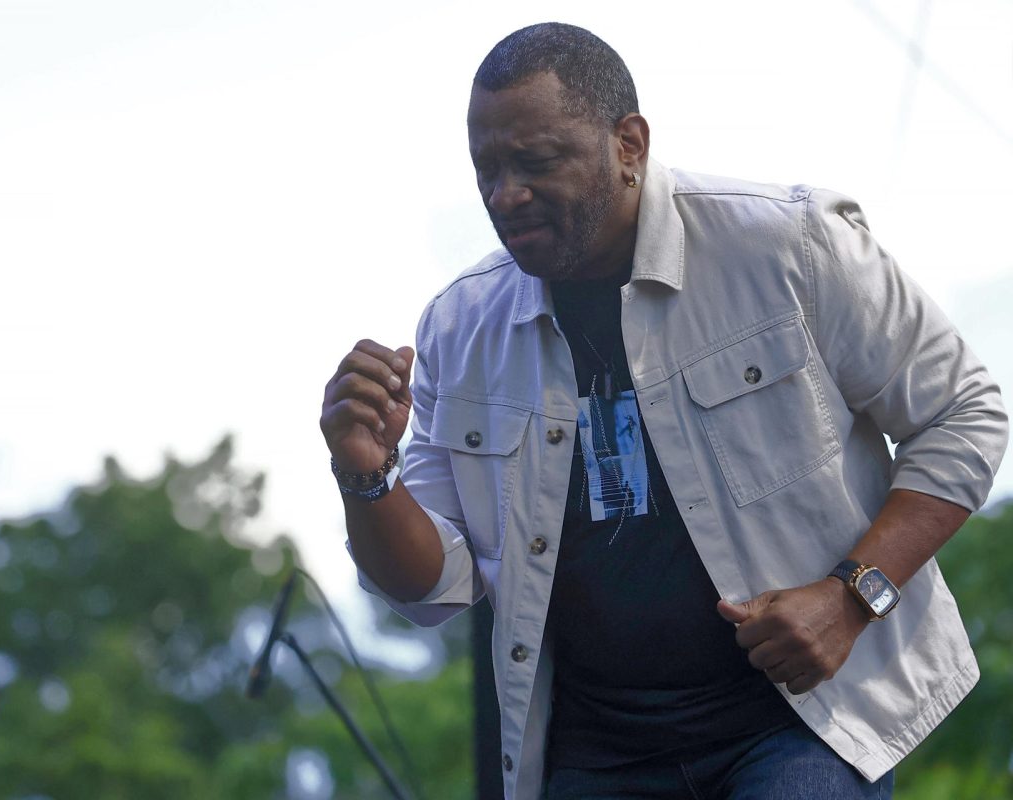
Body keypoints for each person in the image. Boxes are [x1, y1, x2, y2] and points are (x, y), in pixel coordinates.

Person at [318, 22, 1008, 800]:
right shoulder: (461, 326)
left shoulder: (789, 246)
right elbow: (432, 585)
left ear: (629, 145)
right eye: (488, 169)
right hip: (595, 751)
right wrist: (365, 474)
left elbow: (963, 413)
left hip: (794, 725)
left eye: (538, 163)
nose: (505, 195)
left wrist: (851, 598)